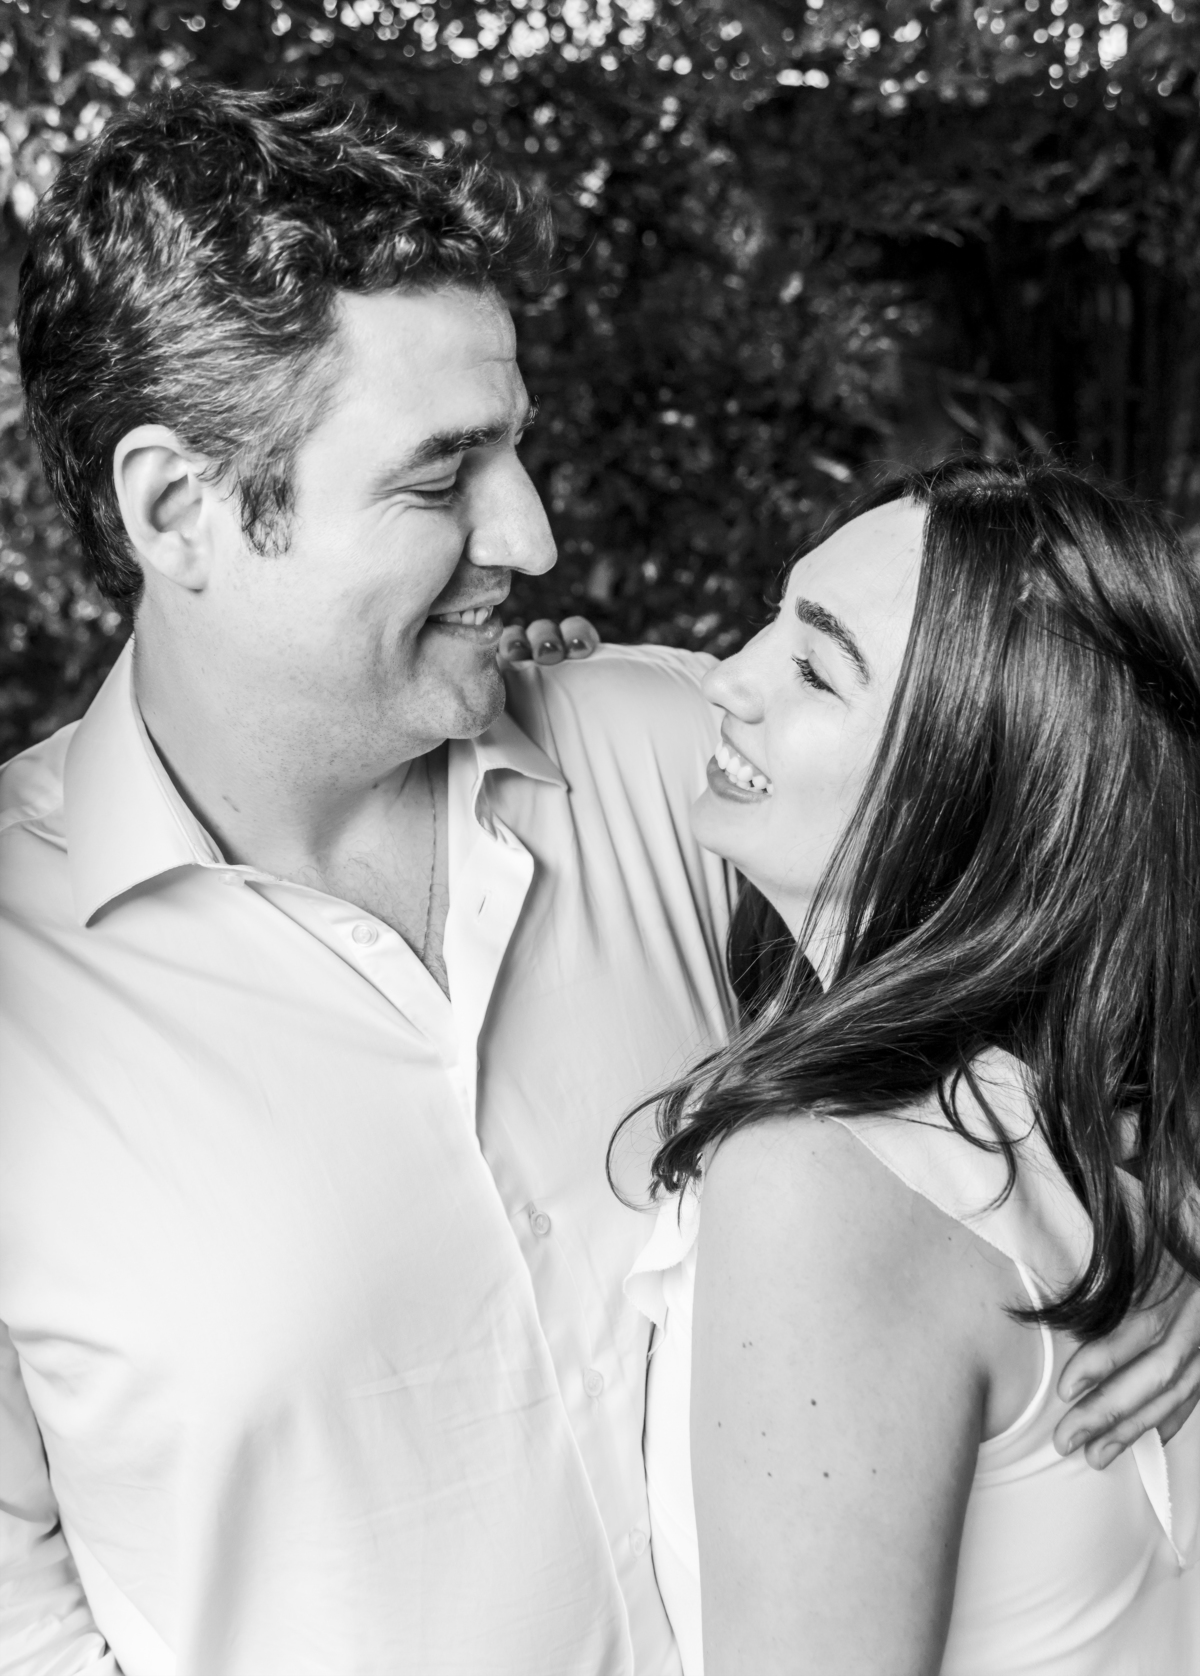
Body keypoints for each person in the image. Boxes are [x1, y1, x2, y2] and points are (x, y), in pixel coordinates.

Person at [0, 87, 1195, 1675]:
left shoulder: (674, 753)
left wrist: (1159, 1209)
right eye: (444, 475)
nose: (536, 533)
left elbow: (1070, 871)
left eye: (517, 448)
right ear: (179, 509)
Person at [625, 458, 1200, 1674]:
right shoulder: (1105, 1124)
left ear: (978, 781)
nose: (728, 677)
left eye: (817, 667)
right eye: (777, 616)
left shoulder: (825, 1183)